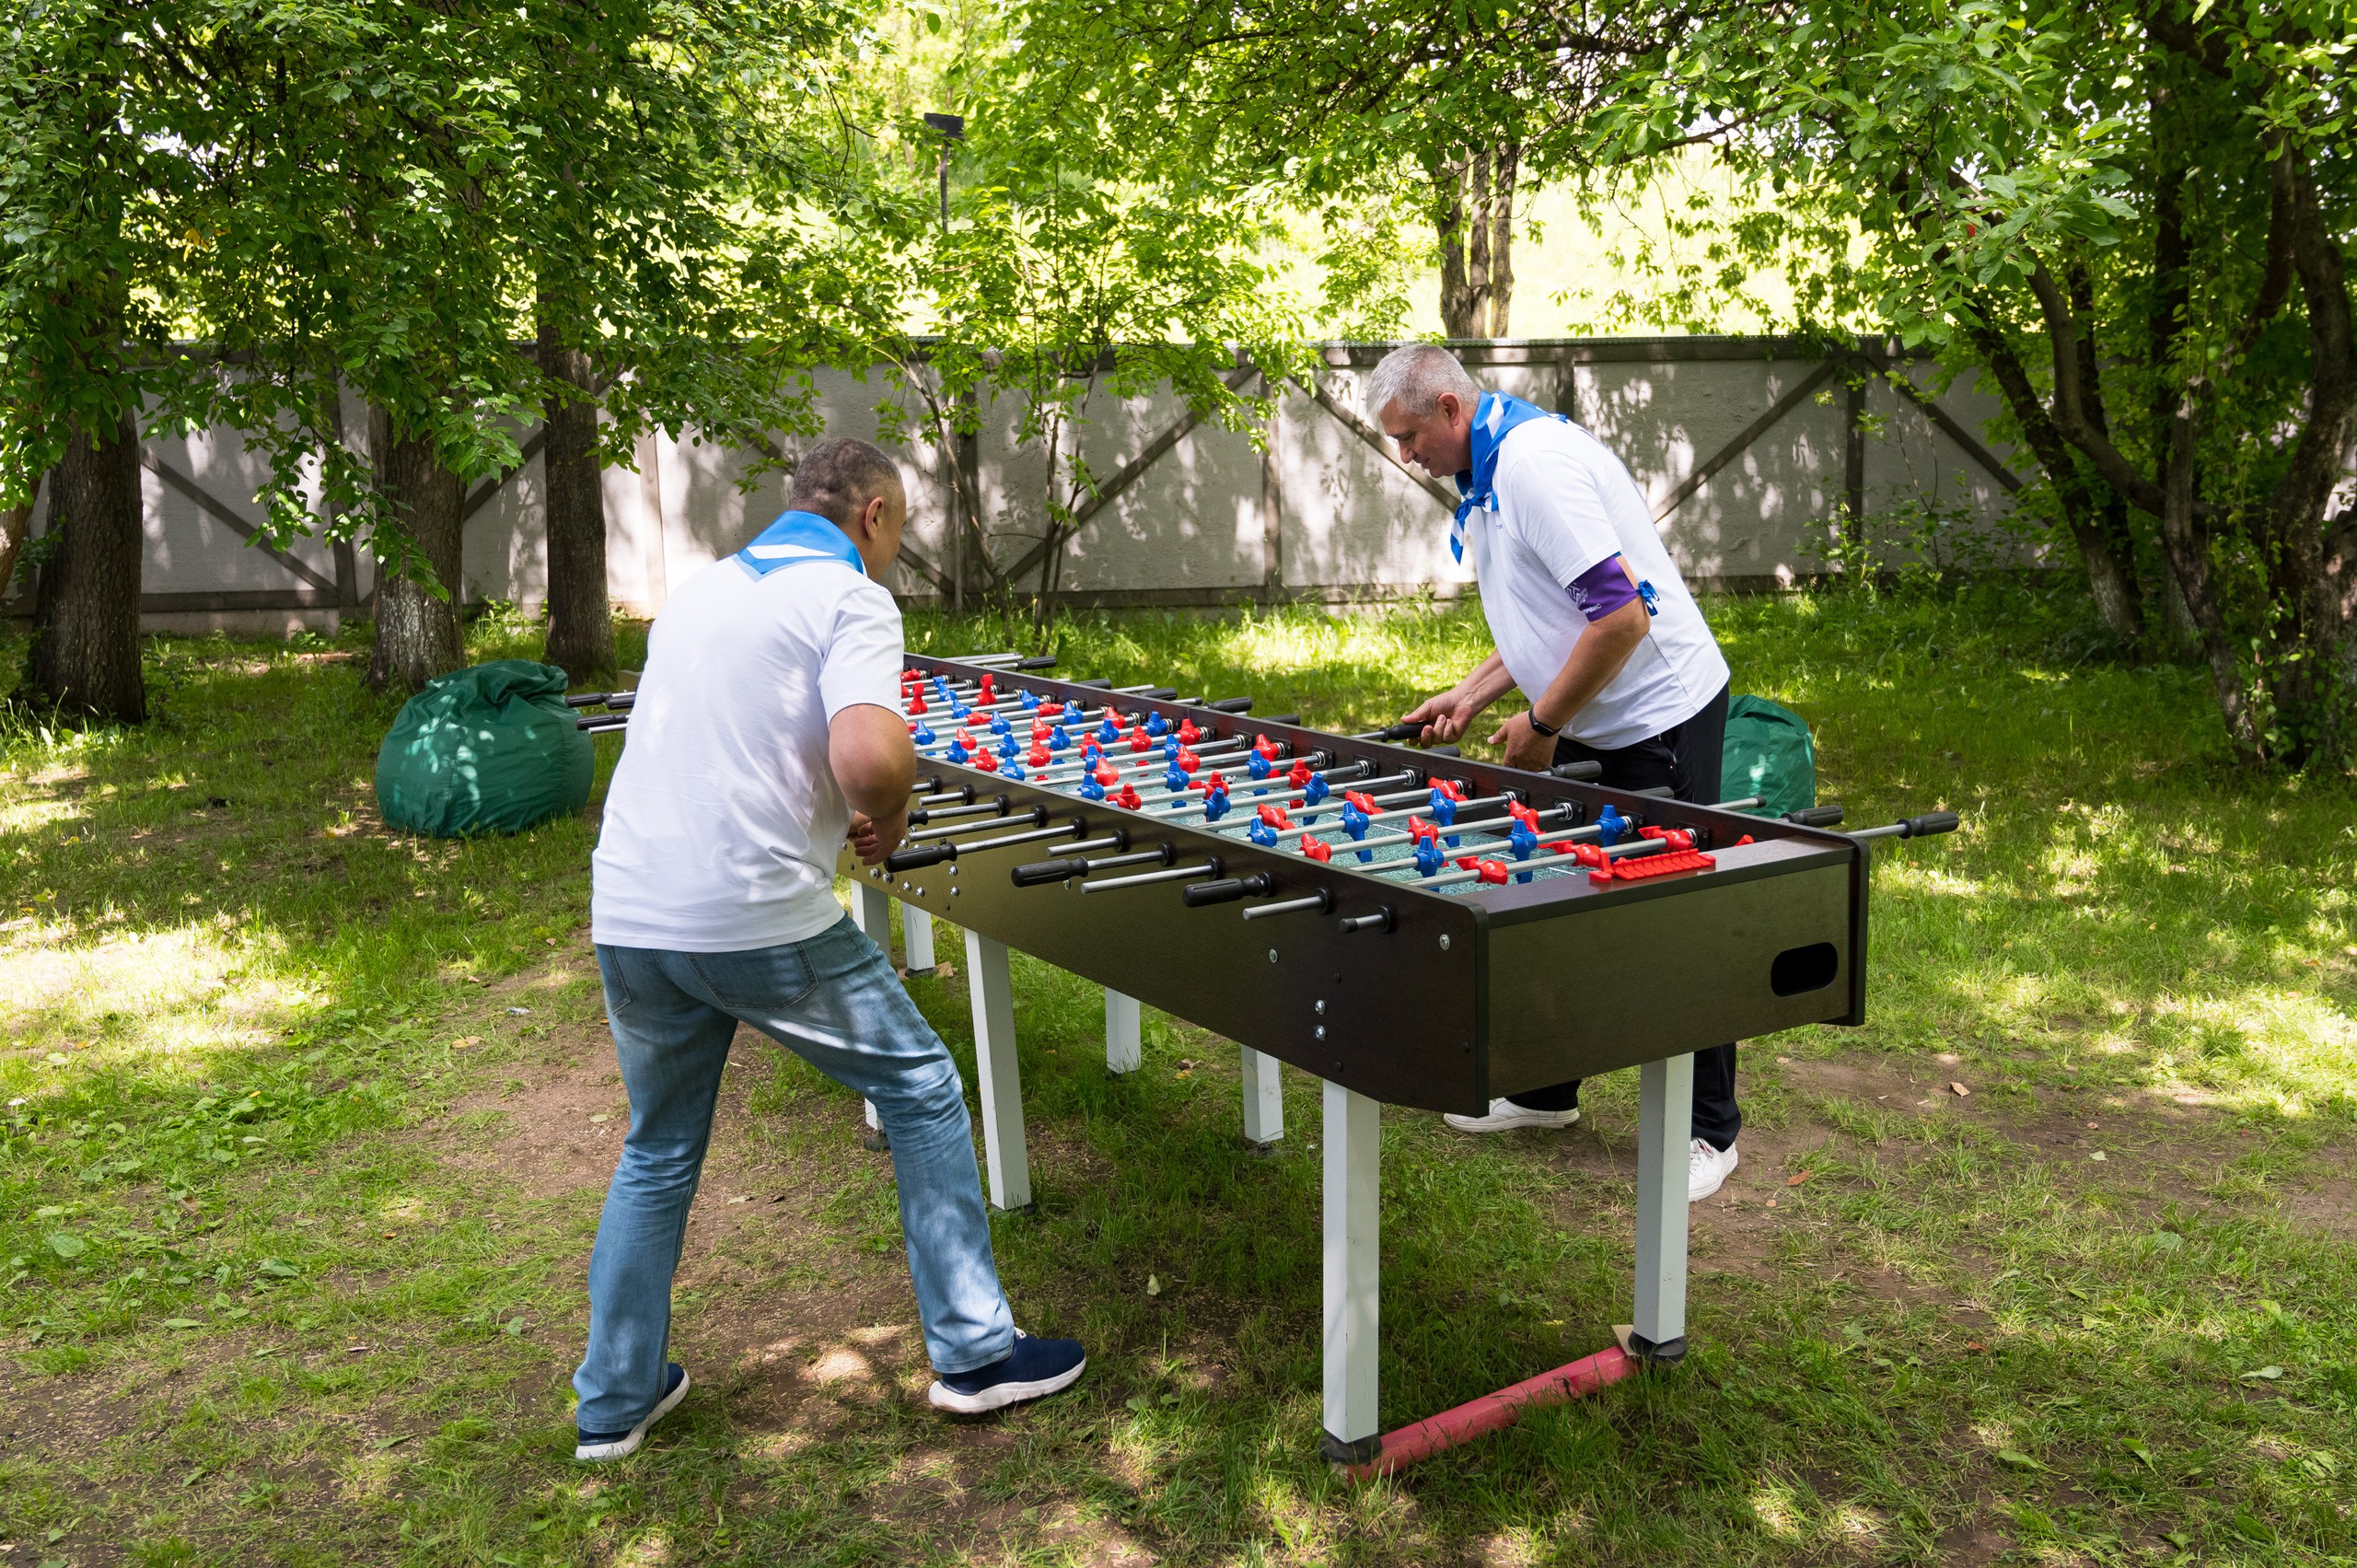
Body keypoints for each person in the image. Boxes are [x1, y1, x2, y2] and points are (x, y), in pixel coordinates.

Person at [573, 437, 1086, 1461]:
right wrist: (888, 816)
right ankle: (977, 1352)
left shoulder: (699, 592)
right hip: (752, 912)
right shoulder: (851, 596)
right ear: (874, 514)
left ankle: (614, 1400)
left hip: (628, 908)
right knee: (922, 1086)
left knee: (658, 1145)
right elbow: (869, 758)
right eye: (899, 531)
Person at [1368, 344, 1743, 1202]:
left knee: (1676, 920)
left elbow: (1622, 618)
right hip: (1591, 709)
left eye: (1409, 436)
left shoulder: (1532, 467)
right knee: (1557, 893)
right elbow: (1554, 610)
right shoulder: (1488, 467)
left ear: (1450, 409)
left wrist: (1542, 726)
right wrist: (1471, 695)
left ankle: (1710, 1129)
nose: (1405, 455)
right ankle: (1545, 1090)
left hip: (1658, 714)